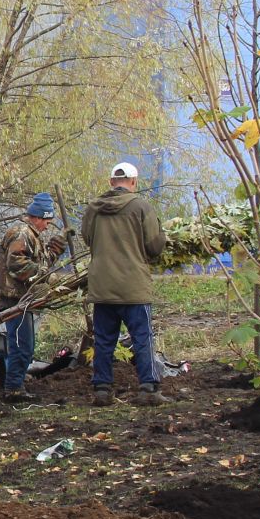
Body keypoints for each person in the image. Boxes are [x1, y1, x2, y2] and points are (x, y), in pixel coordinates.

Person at [81, 161, 168, 406]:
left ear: (111, 182)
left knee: (104, 340)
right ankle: (149, 389)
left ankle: (102, 389)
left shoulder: (93, 209)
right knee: (142, 338)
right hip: (134, 287)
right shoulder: (141, 207)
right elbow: (154, 245)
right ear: (133, 182)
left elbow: (88, 238)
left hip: (102, 286)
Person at [0, 192, 65, 403]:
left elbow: (38, 265)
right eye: (47, 221)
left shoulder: (31, 236)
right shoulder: (21, 234)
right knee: (21, 346)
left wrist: (54, 250)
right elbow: (17, 265)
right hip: (14, 299)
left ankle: (14, 383)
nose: (48, 225)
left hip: (22, 299)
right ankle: (13, 389)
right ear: (38, 217)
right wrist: (47, 277)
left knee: (23, 345)